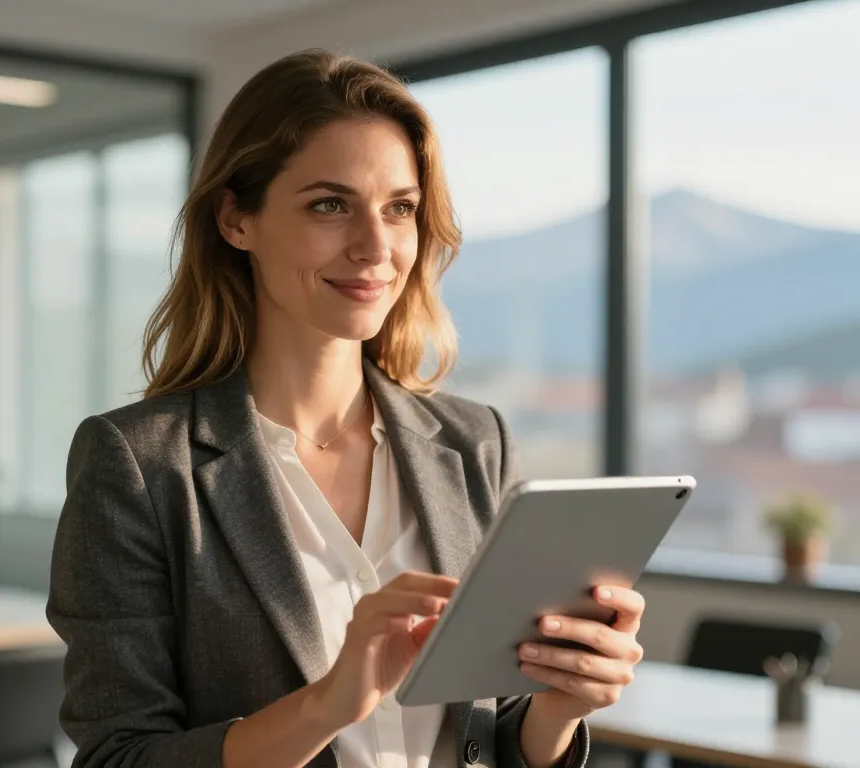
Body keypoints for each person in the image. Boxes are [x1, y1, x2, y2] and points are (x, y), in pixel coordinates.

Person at [46, 48, 646, 768]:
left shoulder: (474, 442)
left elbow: (492, 735)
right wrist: (327, 704)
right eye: (329, 205)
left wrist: (560, 705)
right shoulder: (141, 466)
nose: (375, 247)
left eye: (400, 209)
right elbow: (118, 757)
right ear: (237, 219)